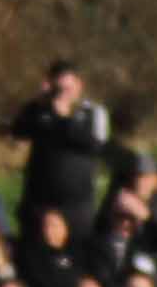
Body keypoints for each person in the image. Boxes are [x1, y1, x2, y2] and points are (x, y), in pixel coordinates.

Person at [8, 61, 109, 235]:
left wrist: (62, 117)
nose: (62, 95)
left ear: (79, 85)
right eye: (58, 89)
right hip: (39, 203)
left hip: (78, 206)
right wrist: (38, 105)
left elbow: (94, 145)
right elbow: (18, 131)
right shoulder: (39, 110)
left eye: (67, 89)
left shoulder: (93, 113)